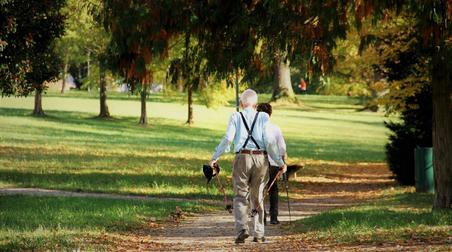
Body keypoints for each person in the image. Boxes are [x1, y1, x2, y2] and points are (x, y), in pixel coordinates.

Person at [209, 89, 287, 244]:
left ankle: (242, 229)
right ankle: (259, 233)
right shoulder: (263, 117)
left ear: (241, 103)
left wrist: (215, 157)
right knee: (258, 195)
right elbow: (270, 142)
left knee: (240, 195)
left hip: (242, 158)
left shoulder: (236, 116)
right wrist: (280, 162)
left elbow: (228, 138)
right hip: (261, 158)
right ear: (256, 104)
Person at [257, 103, 287, 225]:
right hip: (274, 163)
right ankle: (274, 217)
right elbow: (282, 147)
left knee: (260, 189)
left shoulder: (255, 129)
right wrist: (282, 161)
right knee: (273, 189)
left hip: (259, 162)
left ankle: (262, 217)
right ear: (270, 114)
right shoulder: (275, 128)